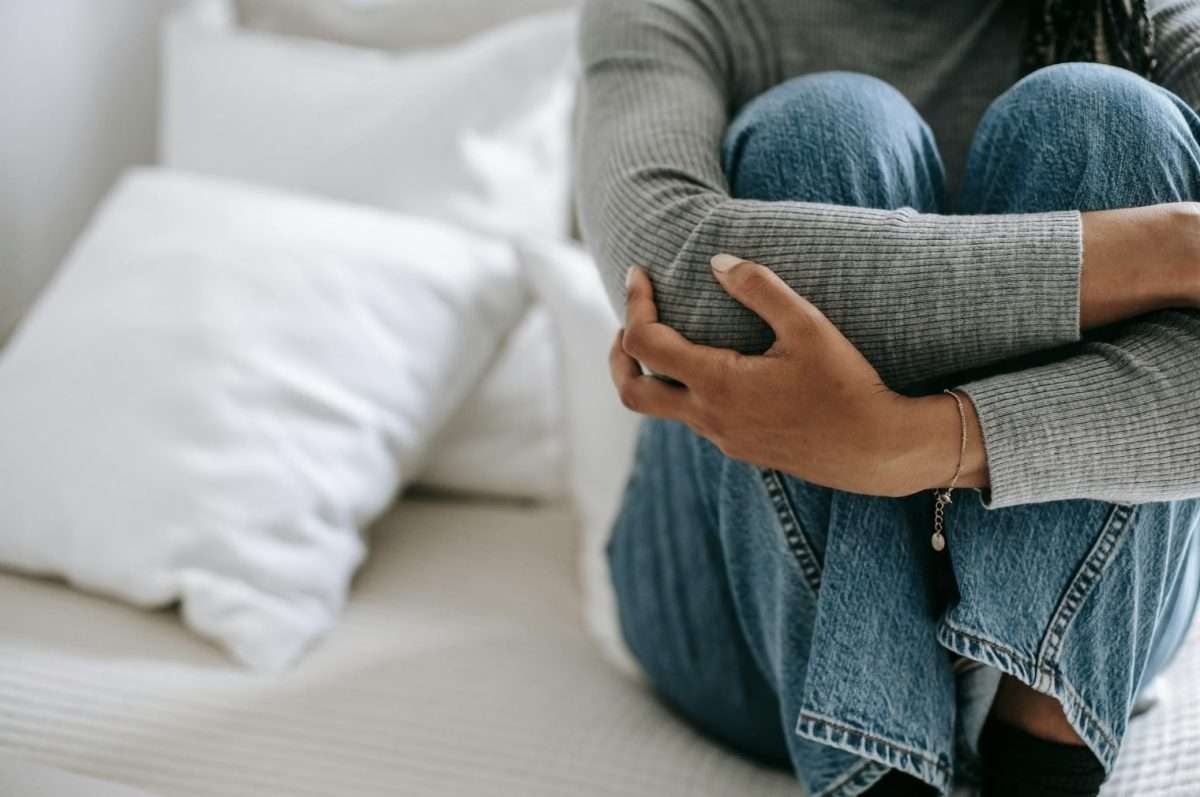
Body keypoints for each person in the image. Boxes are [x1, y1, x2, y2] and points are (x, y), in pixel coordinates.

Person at [574, 0, 1200, 795]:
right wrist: (1171, 246)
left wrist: (920, 442)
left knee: (1110, 118)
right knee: (826, 128)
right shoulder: (677, 10)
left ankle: (1044, 759)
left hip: (1086, 631)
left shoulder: (1144, 14)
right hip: (741, 620)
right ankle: (878, 777)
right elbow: (676, 284)